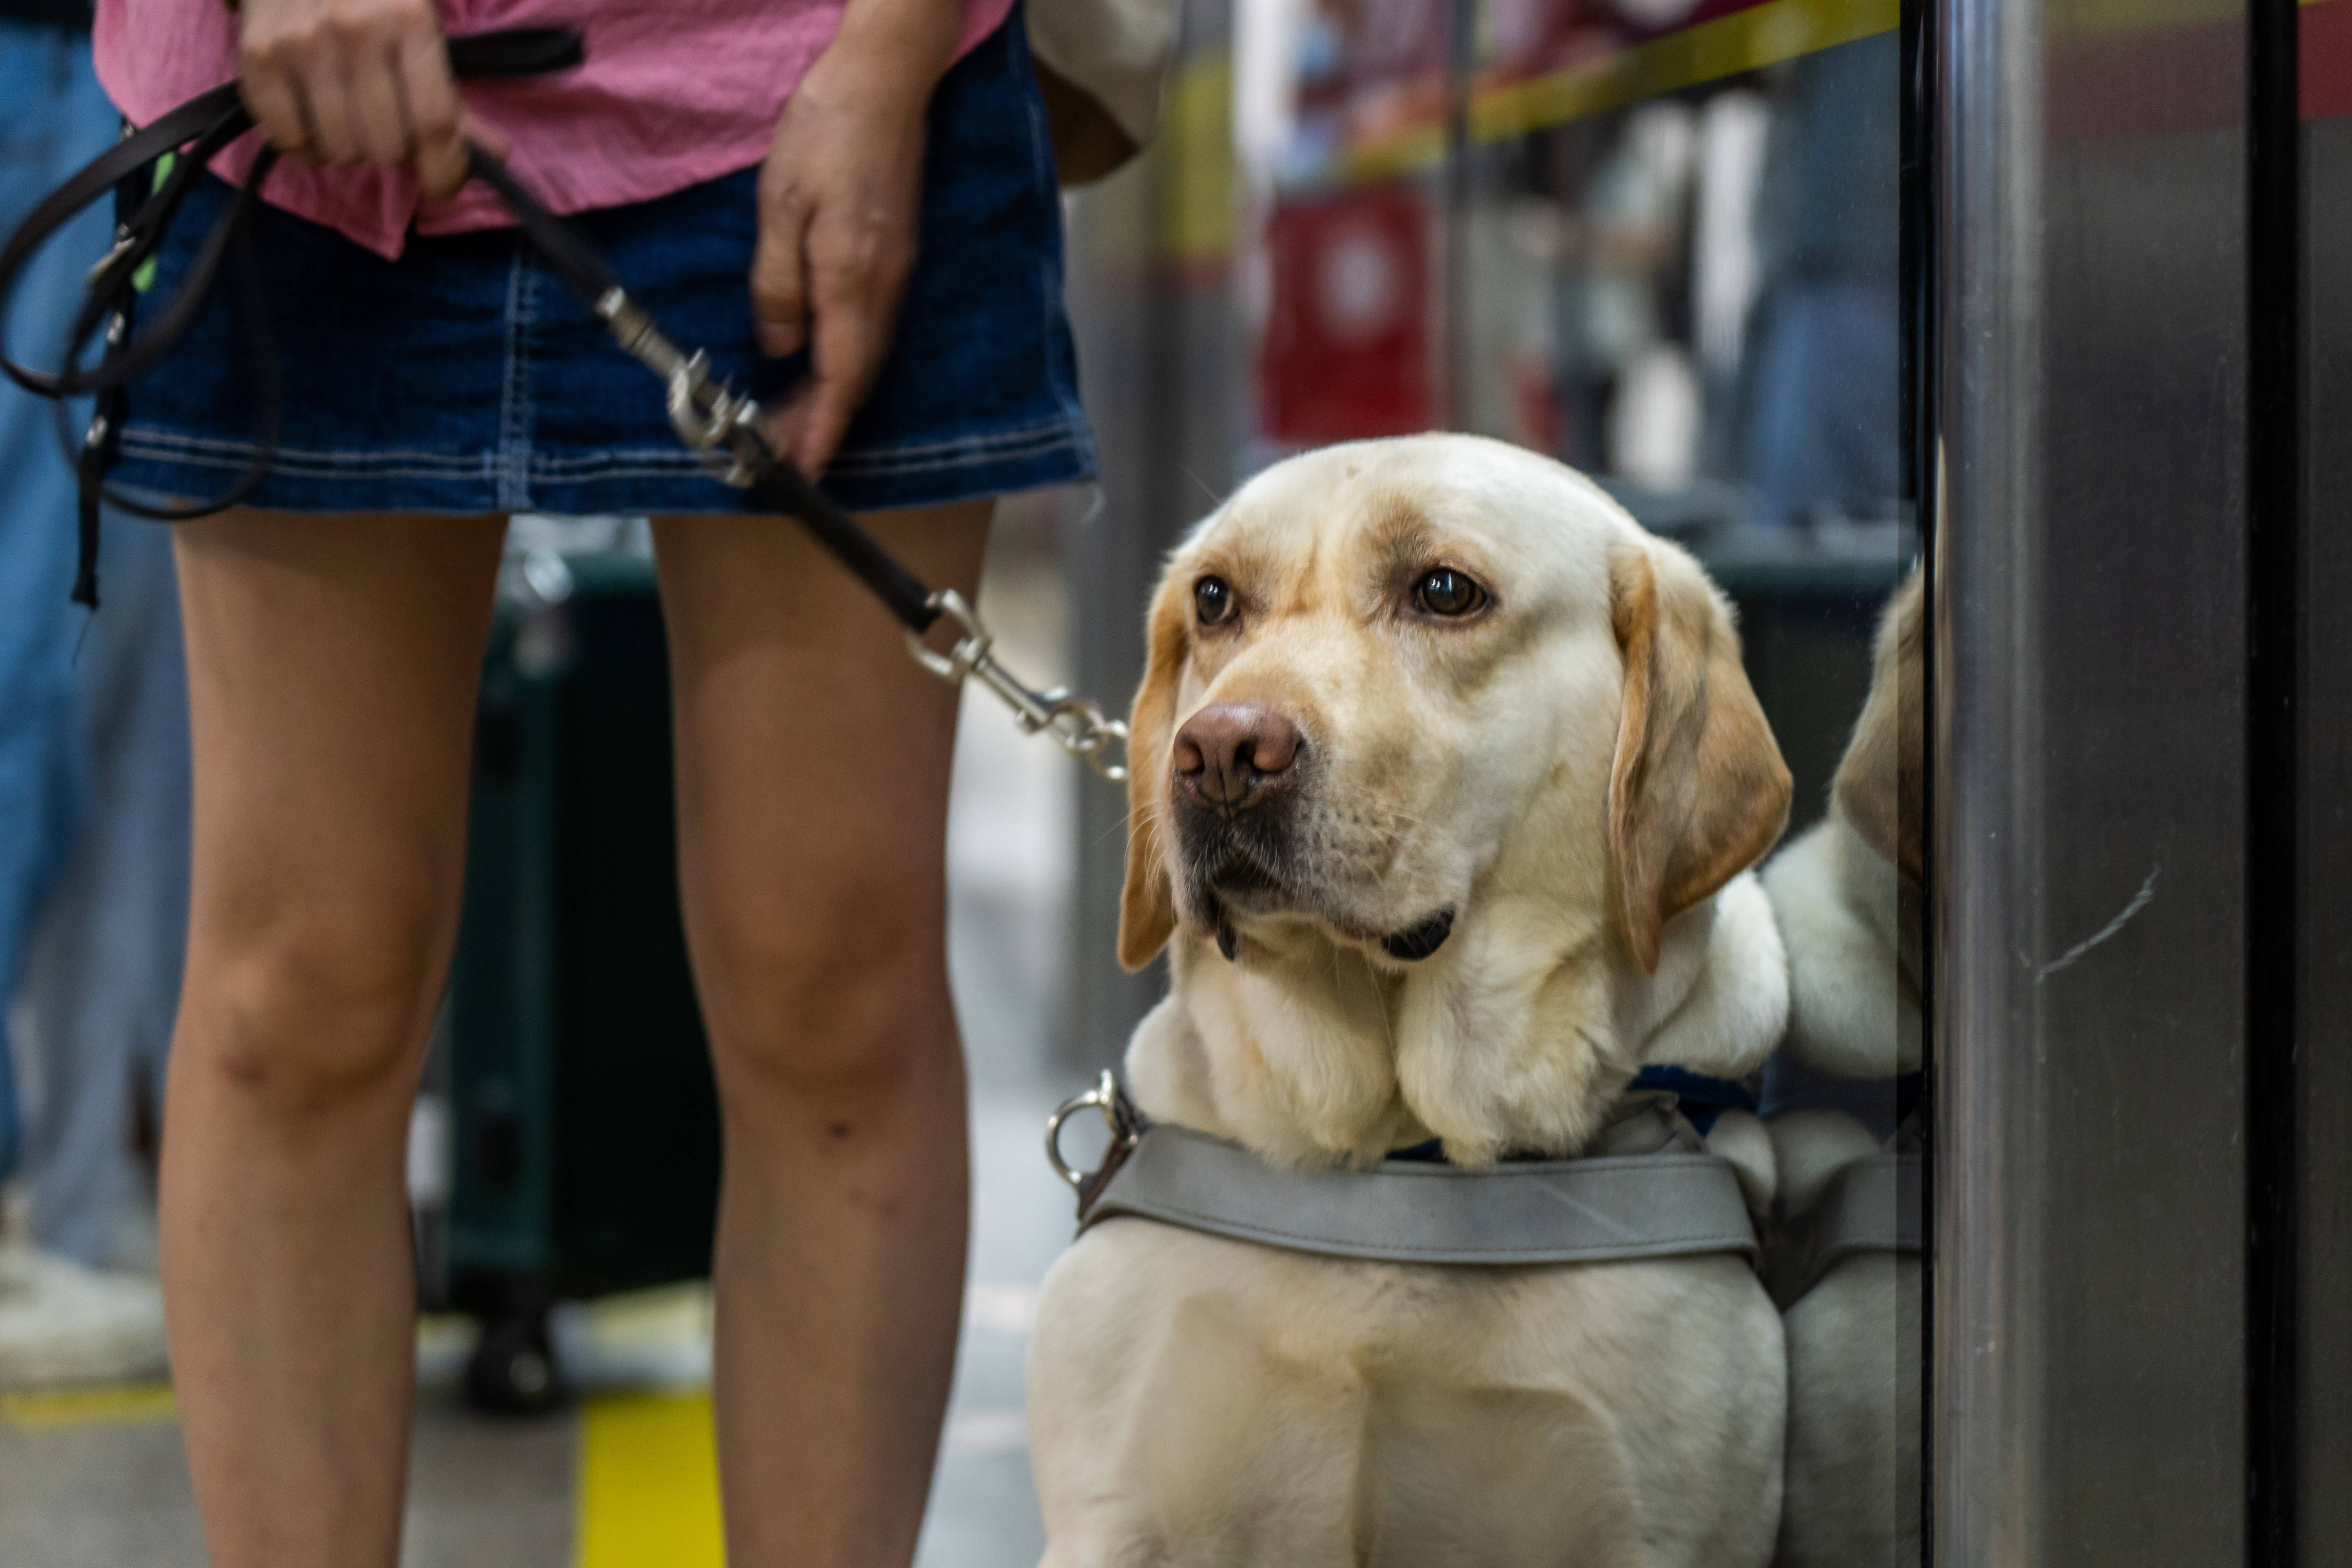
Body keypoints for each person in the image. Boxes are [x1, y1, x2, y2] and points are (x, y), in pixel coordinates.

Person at [91, 0, 1095, 1560]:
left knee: (828, 981)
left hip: (828, 81)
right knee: (299, 993)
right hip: (313, 108)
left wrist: (896, 50)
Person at [0, 0, 174, 1393]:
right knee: (33, 663)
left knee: (131, 696)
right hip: (52, 63)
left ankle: (77, 1205)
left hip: (146, 83)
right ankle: (34, 1202)